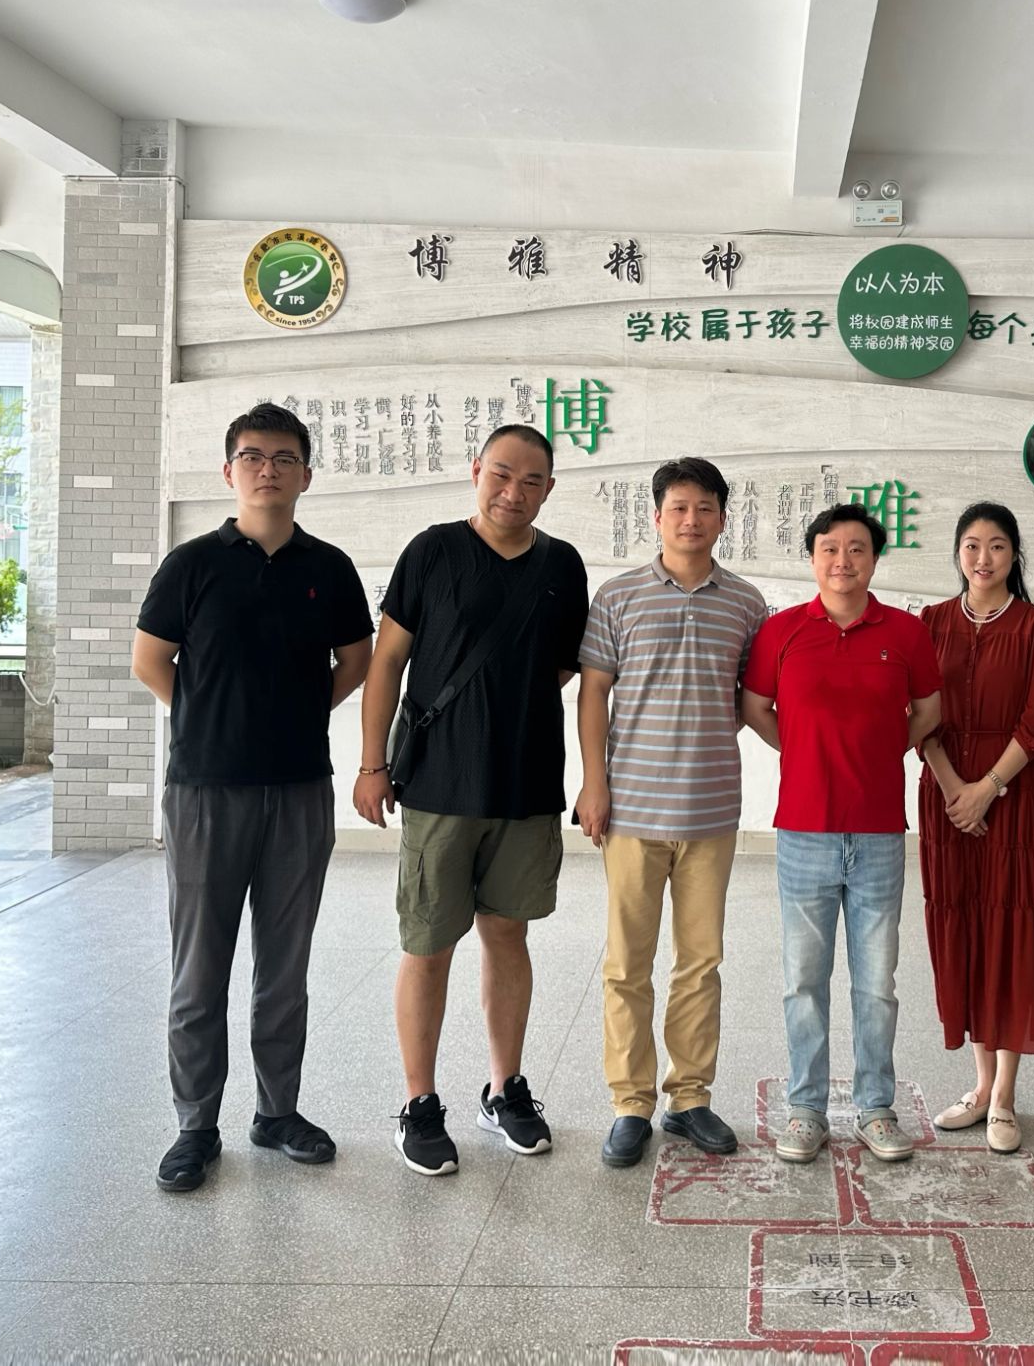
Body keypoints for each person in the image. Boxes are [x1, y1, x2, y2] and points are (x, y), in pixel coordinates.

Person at [132, 402, 375, 1193]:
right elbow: (150, 661)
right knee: (199, 971)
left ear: (306, 474)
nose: (268, 469)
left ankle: (277, 1113)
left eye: (284, 457)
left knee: (284, 968)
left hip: (300, 790)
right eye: (252, 456)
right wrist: (210, 719)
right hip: (206, 791)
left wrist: (296, 717)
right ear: (228, 471)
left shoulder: (328, 568)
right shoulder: (192, 564)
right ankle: (195, 1126)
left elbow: (356, 660)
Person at [354, 424, 589, 1177]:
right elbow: (388, 662)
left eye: (531, 481)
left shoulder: (562, 565)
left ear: (548, 490)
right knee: (428, 945)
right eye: (501, 474)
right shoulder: (432, 551)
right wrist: (371, 764)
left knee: (508, 936)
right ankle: (420, 1103)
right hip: (439, 786)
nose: (513, 492)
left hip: (525, 785)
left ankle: (503, 1089)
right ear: (475, 471)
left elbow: (560, 668)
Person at [577, 457, 770, 1169]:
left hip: (711, 811)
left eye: (705, 508)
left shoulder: (746, 604)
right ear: (656, 517)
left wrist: (700, 738)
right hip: (630, 808)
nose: (692, 519)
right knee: (627, 964)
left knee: (700, 962)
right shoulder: (618, 596)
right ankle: (629, 1105)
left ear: (722, 518)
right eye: (679, 508)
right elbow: (593, 693)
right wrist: (593, 784)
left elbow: (749, 700)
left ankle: (688, 1097)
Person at [741, 503, 942, 1166]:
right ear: (812, 558)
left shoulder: (906, 633)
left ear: (875, 559)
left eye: (857, 548)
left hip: (879, 831)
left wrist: (883, 752)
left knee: (876, 982)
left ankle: (875, 1107)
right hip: (804, 830)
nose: (843, 560)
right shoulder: (781, 631)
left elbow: (928, 710)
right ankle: (805, 1109)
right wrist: (801, 751)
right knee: (804, 979)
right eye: (829, 548)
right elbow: (756, 707)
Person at [917, 503, 1034, 1153]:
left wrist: (986, 790)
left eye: (998, 546)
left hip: (1013, 796)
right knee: (966, 932)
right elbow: (917, 714)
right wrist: (956, 789)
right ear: (957, 552)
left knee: (1010, 935)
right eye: (972, 545)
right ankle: (979, 1086)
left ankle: (1005, 1095)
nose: (984, 558)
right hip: (946, 798)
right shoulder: (930, 622)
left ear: (1014, 555)